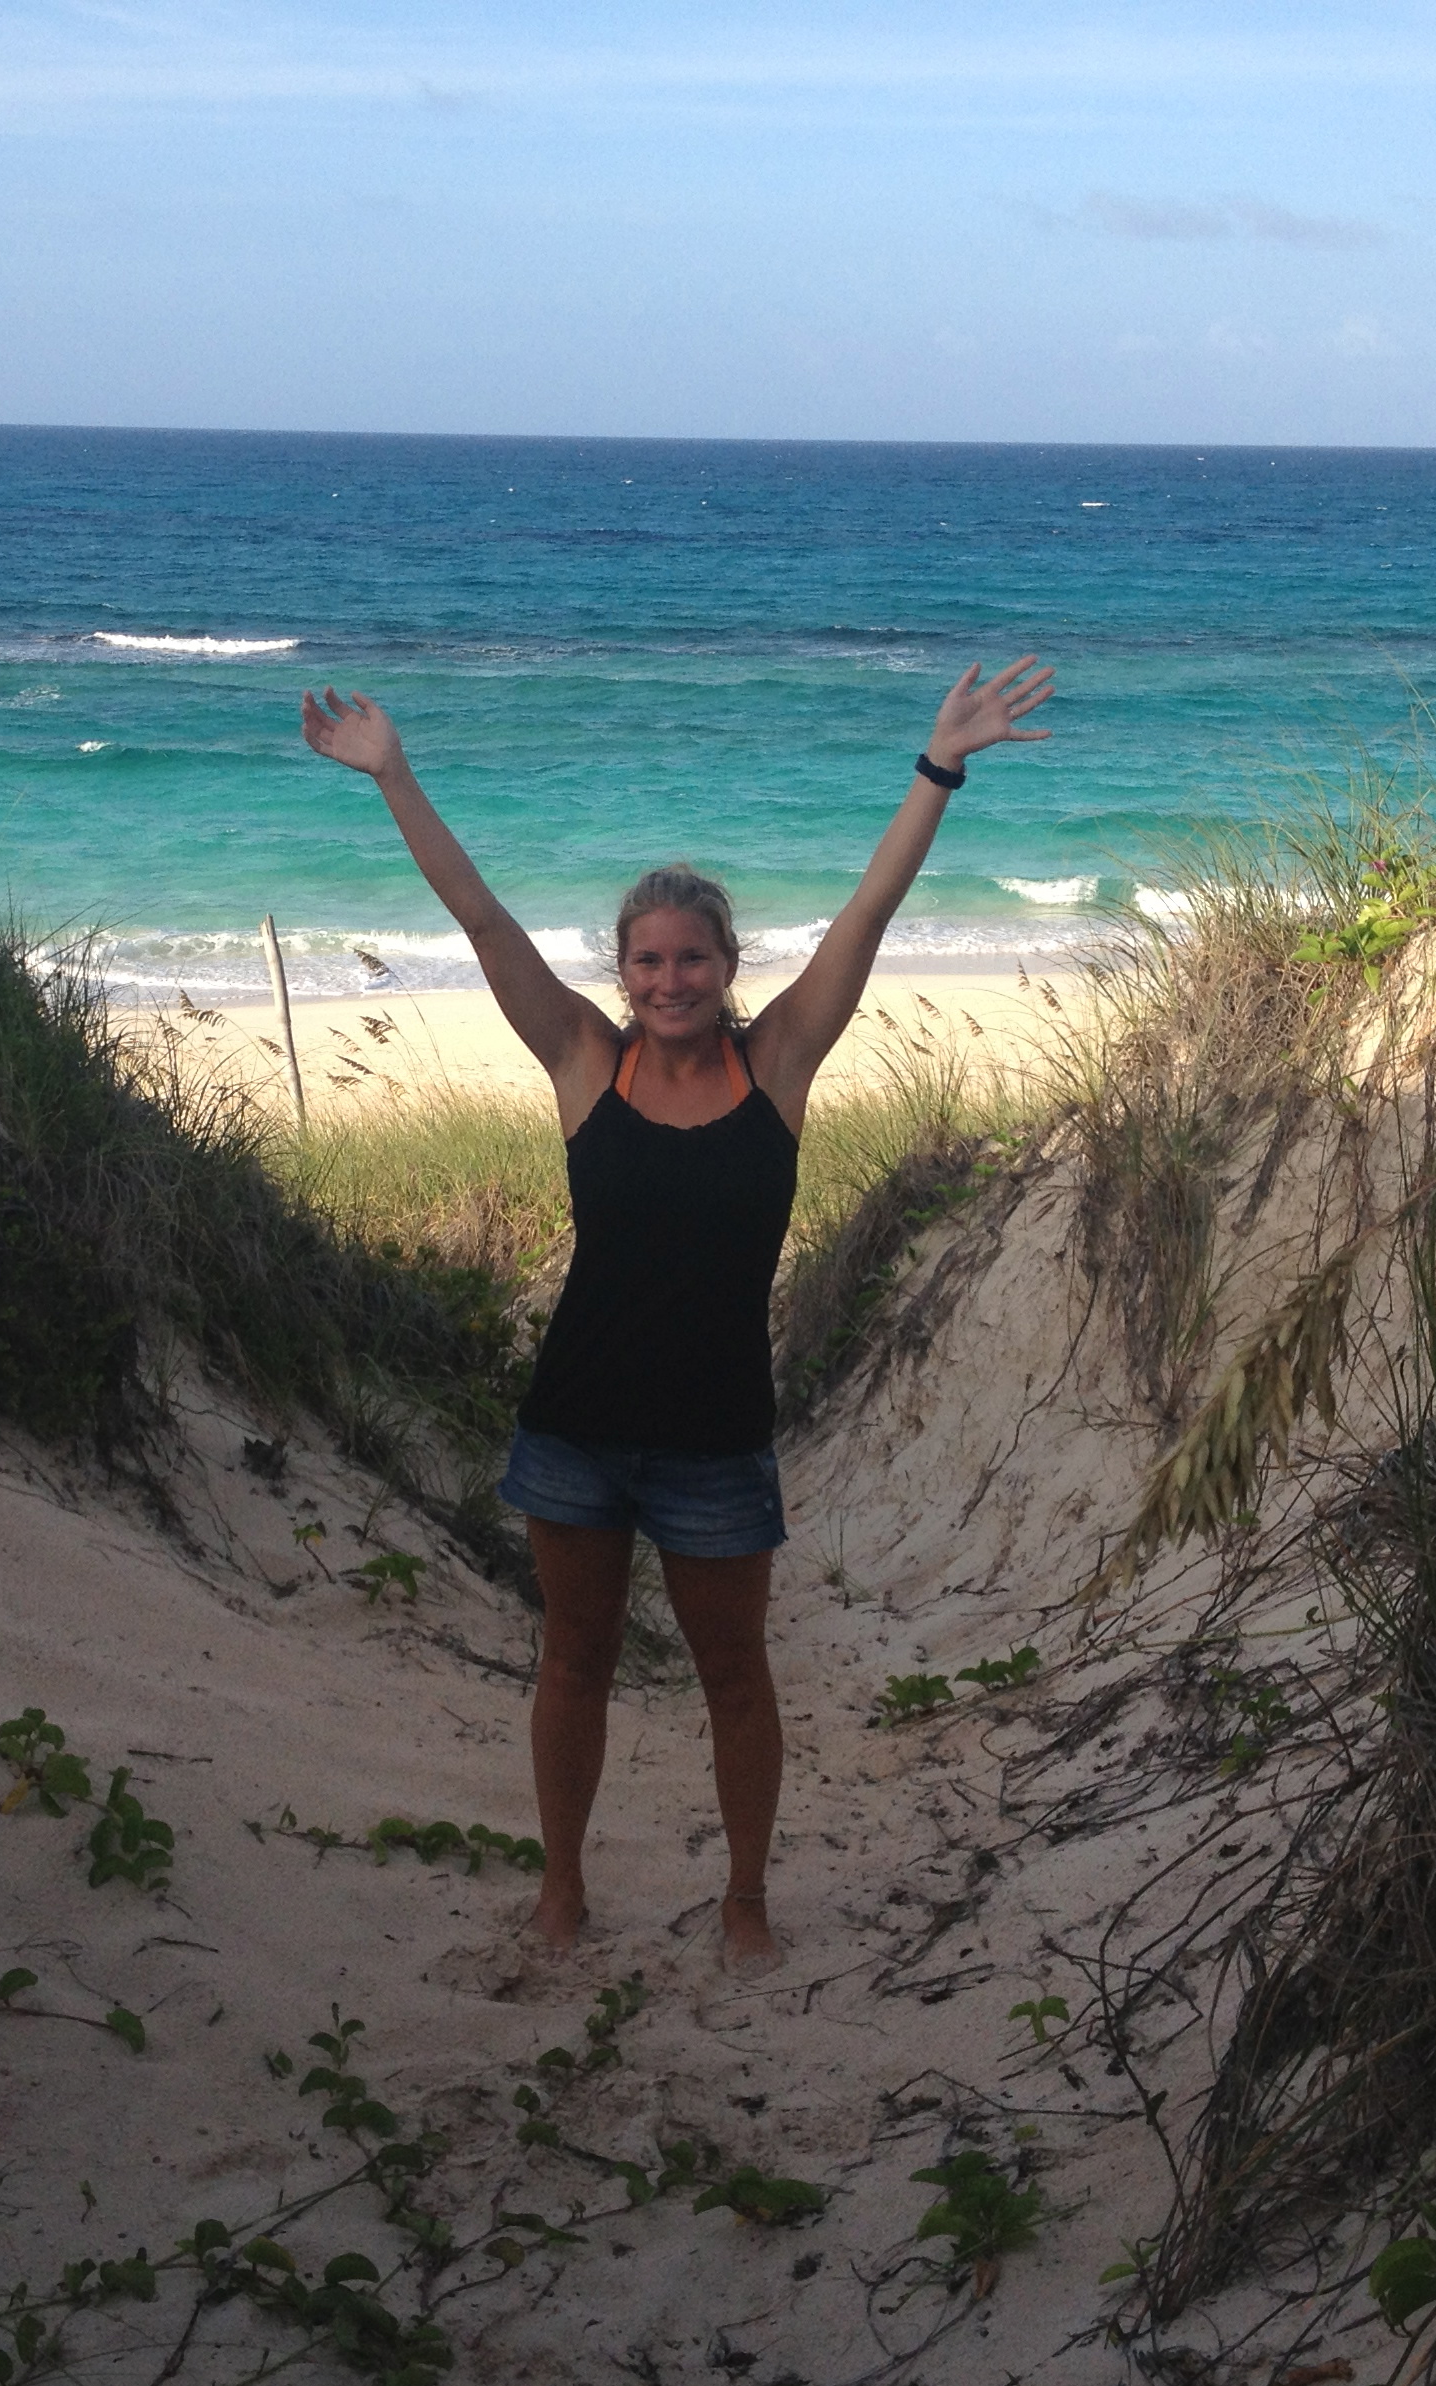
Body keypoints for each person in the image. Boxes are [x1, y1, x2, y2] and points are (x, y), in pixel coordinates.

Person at [297, 660, 1056, 1970]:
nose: (669, 978)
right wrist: (393, 776)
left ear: (727, 966)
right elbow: (482, 920)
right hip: (577, 1429)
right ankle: (562, 1890)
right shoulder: (584, 1061)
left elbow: (869, 913)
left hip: (715, 1439)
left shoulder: (781, 1064)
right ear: (624, 970)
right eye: (647, 959)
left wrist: (939, 768)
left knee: (734, 1677)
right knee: (574, 1662)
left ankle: (744, 1901)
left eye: (691, 957)